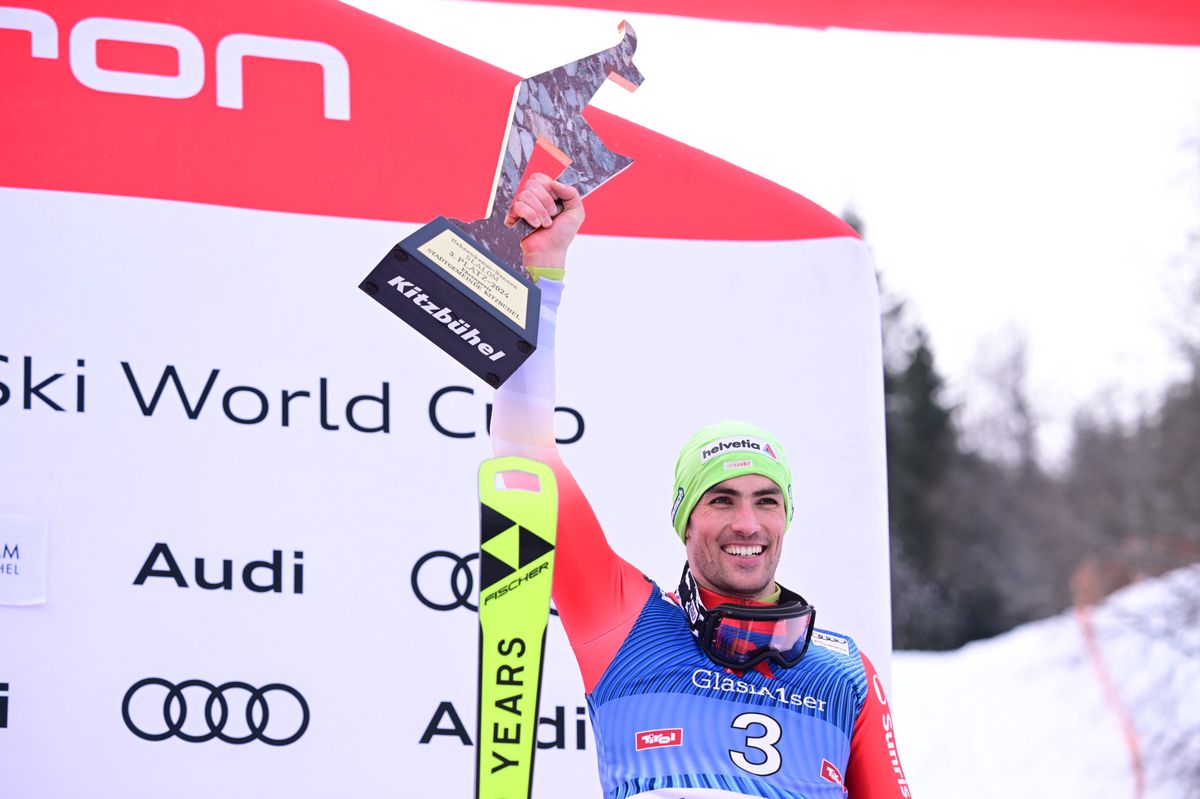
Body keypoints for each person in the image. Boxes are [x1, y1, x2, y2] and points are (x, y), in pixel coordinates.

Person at [491, 173, 913, 799]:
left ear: (785, 519)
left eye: (766, 500)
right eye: (721, 500)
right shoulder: (625, 622)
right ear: (685, 522)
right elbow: (525, 454)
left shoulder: (844, 672)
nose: (747, 523)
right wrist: (541, 270)